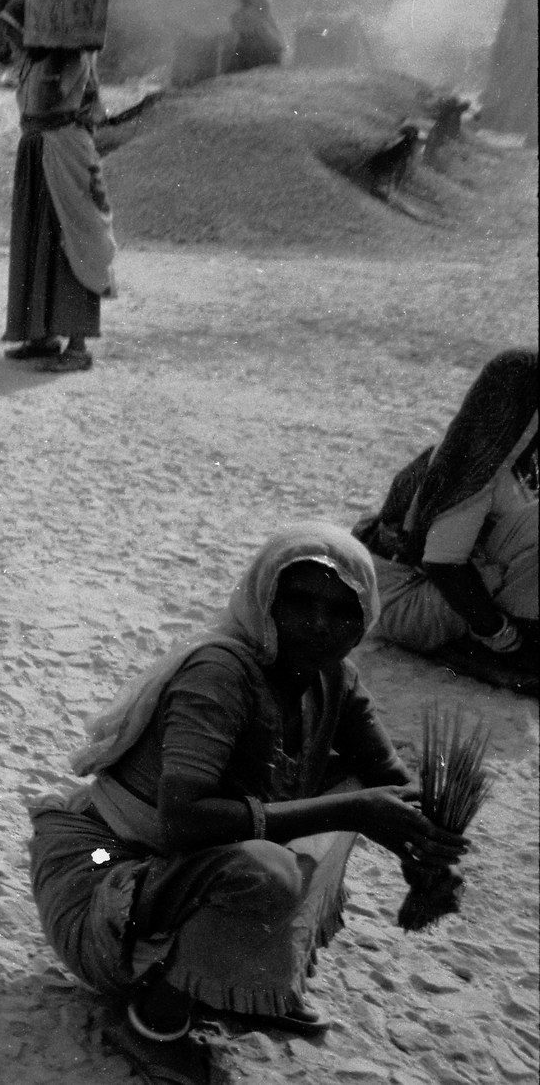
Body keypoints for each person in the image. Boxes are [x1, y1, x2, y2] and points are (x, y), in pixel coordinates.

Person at [28, 524, 464, 1083]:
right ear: (264, 599)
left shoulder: (334, 679)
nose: (318, 624)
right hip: (101, 874)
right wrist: (353, 813)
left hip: (172, 875)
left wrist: (424, 859)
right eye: (299, 601)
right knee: (270, 867)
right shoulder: (220, 674)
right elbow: (184, 821)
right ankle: (151, 1023)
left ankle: (242, 978)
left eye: (342, 610)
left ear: (365, 620)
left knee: (354, 786)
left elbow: (388, 782)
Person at [357, 349, 538, 693]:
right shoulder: (473, 463)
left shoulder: (516, 460)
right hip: (411, 601)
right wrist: (505, 637)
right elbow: (443, 564)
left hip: (445, 592)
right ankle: (501, 653)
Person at [0, 0, 117, 372]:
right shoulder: (34, 61)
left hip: (65, 153)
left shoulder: (70, 57)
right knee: (37, 242)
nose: (11, 40)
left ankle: (78, 345)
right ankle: (42, 335)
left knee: (72, 240)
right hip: (36, 152)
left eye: (16, 31)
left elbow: (73, 93)